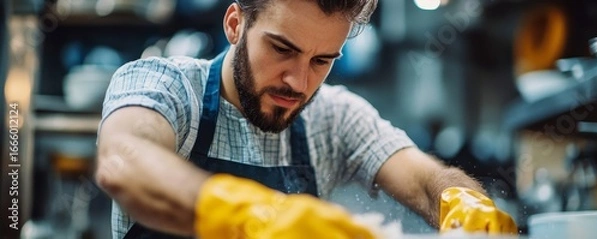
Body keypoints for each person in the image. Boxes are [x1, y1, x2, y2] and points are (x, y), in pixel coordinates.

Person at [95, 0, 517, 238]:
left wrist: (462, 203)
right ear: (235, 24)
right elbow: (126, 163)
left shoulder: (332, 118)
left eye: (321, 60)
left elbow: (426, 181)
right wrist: (255, 216)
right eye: (281, 49)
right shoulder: (165, 86)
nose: (299, 81)